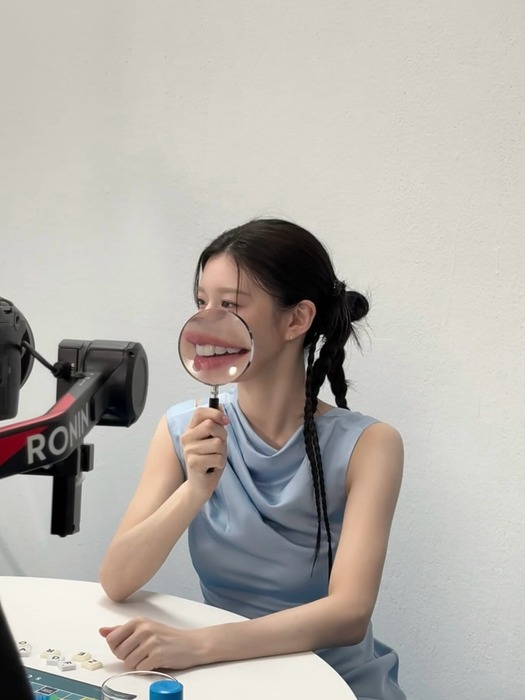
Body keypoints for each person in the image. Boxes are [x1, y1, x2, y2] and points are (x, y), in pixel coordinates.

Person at [98, 218, 406, 700]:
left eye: (230, 305)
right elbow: (117, 580)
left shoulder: (370, 445)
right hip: (230, 681)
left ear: (296, 320)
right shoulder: (180, 429)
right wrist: (195, 488)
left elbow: (349, 614)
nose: (206, 323)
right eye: (201, 302)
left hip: (335, 687)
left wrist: (197, 645)